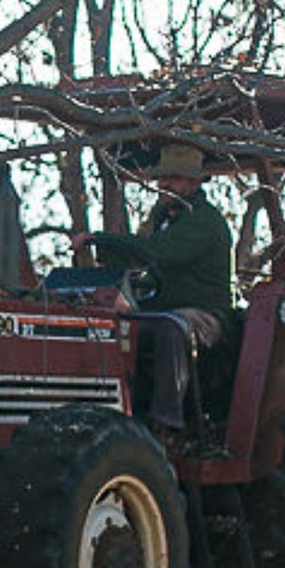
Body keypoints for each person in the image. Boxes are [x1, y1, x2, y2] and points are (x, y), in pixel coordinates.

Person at [71, 142, 233, 442]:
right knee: (112, 326)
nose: (165, 184)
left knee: (171, 327)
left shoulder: (204, 222)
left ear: (194, 182)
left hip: (207, 315)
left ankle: (165, 423)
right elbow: (139, 257)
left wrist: (101, 239)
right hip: (161, 308)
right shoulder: (164, 219)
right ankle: (110, 410)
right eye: (162, 177)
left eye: (174, 178)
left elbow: (157, 253)